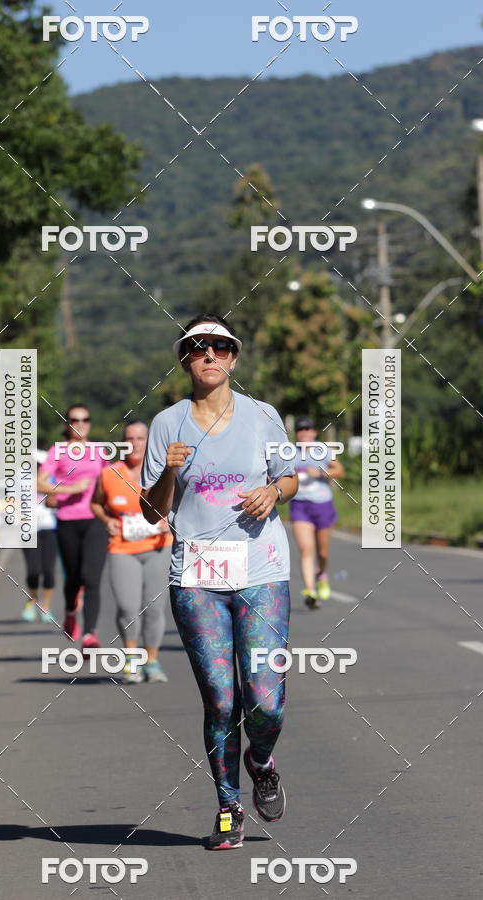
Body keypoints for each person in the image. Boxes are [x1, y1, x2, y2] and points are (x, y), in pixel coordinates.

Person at [140, 313, 298, 851]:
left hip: (262, 570)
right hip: (198, 574)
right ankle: (229, 807)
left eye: (221, 346)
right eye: (198, 346)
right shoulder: (167, 424)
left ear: (234, 356)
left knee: (266, 701)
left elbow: (289, 477)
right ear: (184, 358)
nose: (210, 354)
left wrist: (274, 492)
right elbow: (150, 512)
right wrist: (167, 471)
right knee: (220, 699)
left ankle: (262, 761)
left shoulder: (262, 415)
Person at [91, 420, 172, 684]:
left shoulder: (162, 472)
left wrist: (171, 520)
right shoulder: (109, 474)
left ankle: (153, 662)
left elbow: (181, 502)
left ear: (149, 442)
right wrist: (107, 520)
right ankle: (131, 661)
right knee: (128, 608)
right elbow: (96, 503)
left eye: (140, 438)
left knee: (154, 608)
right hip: (123, 549)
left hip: (158, 547)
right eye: (129, 438)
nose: (135, 444)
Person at [37, 405, 108, 649]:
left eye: (85, 419)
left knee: (91, 577)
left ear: (89, 423)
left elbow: (109, 481)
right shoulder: (57, 451)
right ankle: (70, 612)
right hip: (68, 520)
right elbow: (39, 483)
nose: (80, 424)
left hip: (95, 519)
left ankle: (90, 634)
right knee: (74, 578)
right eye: (75, 420)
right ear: (66, 424)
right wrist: (70, 489)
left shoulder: (99, 451)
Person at [290, 415, 345, 609]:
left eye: (308, 428)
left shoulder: (323, 450)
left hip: (322, 505)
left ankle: (321, 573)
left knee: (322, 552)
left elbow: (340, 470)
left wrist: (322, 473)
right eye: (300, 429)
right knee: (306, 549)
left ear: (314, 432)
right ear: (297, 433)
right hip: (299, 506)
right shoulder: (290, 453)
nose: (304, 432)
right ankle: (310, 591)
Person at [21, 450, 58, 624]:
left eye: (41, 465)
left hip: (49, 527)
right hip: (28, 529)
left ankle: (46, 606)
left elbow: (56, 502)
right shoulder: (21, 478)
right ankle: (32, 600)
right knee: (34, 570)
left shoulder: (53, 478)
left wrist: (51, 491)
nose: (38, 467)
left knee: (49, 571)